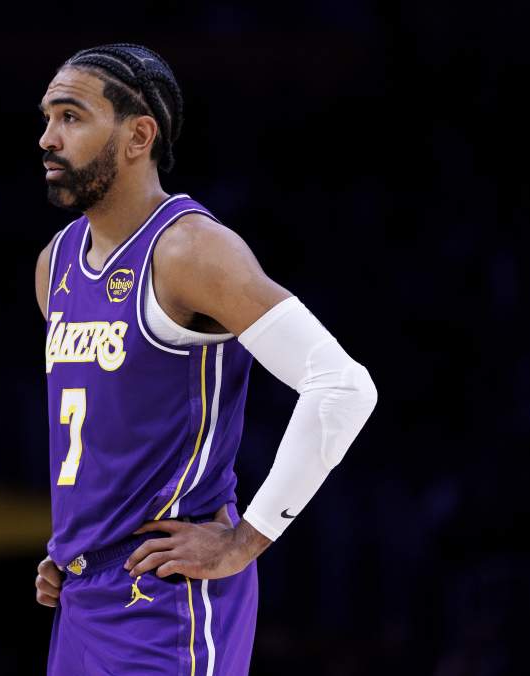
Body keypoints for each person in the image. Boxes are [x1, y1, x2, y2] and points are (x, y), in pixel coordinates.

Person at [33, 43, 378, 675]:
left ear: (139, 136)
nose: (48, 139)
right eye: (48, 118)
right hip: (81, 596)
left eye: (71, 117)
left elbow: (342, 386)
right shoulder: (55, 263)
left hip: (167, 599)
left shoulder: (190, 250)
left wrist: (246, 540)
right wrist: (74, 548)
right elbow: (111, 428)